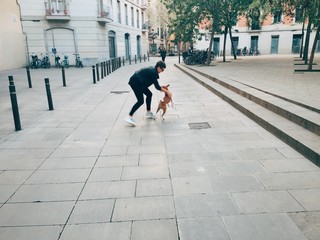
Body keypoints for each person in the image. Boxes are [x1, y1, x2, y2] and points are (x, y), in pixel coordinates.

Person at [124, 60, 166, 126]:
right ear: (158, 67)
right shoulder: (154, 72)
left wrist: (162, 88)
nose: (162, 72)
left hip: (140, 83)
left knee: (149, 94)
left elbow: (156, 85)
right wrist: (166, 91)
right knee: (140, 101)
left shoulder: (153, 70)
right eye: (162, 70)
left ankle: (148, 112)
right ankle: (129, 116)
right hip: (135, 83)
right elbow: (157, 87)